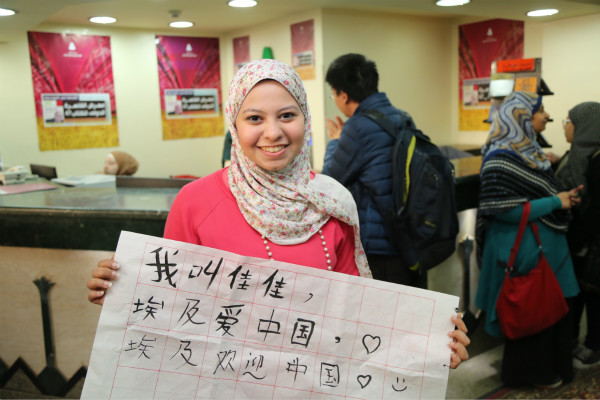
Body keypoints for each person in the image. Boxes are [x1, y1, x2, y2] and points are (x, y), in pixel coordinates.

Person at [86, 58, 469, 369]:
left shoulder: (332, 201)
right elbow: (173, 303)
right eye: (254, 118)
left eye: (287, 115)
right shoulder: (195, 202)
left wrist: (427, 341)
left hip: (313, 382)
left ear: (304, 118)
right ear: (234, 126)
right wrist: (124, 290)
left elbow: (356, 309)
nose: (273, 132)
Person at [475, 91, 582, 389]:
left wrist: (561, 198)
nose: (546, 115)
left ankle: (552, 368)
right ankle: (532, 374)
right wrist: (556, 203)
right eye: (540, 110)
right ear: (521, 116)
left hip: (540, 245)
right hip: (522, 248)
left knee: (550, 309)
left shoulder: (531, 152)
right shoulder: (500, 158)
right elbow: (505, 210)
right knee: (531, 310)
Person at [321, 53, 422, 287]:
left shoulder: (358, 127)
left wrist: (336, 140)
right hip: (406, 232)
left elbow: (330, 182)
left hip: (379, 242)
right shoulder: (402, 117)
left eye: (333, 94)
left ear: (343, 96)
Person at [555, 101, 600, 367]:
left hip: (589, 241)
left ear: (583, 125)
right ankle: (573, 340)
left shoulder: (596, 161)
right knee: (578, 292)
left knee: (592, 293)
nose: (565, 126)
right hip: (578, 239)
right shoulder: (576, 155)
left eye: (568, 121)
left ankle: (593, 345)